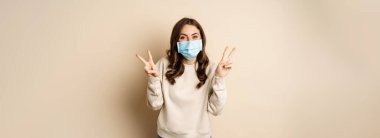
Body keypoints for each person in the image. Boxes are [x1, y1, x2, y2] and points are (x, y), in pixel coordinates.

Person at [136, 17, 235, 138]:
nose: (189, 42)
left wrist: (219, 78)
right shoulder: (162, 64)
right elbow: (154, 105)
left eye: (194, 37)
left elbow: (216, 110)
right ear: (176, 42)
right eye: (183, 37)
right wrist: (153, 79)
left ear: (202, 40)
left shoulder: (211, 68)